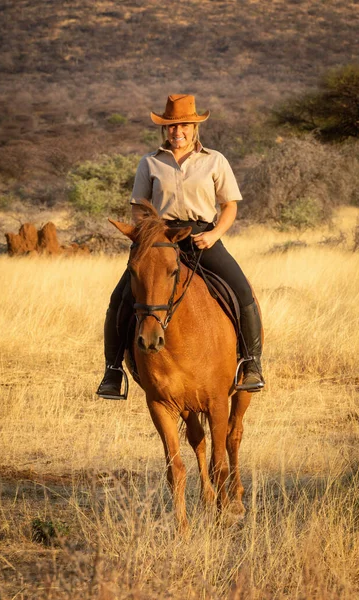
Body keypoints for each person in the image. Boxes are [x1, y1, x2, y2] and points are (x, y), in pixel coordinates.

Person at [96, 94, 265, 400]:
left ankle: (251, 364)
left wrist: (214, 235)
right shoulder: (150, 162)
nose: (178, 132)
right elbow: (138, 207)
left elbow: (229, 206)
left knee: (241, 291)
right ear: (165, 130)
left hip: (202, 237)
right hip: (159, 239)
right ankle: (113, 371)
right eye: (172, 127)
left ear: (194, 127)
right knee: (120, 299)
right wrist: (150, 234)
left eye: (184, 125)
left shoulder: (215, 160)